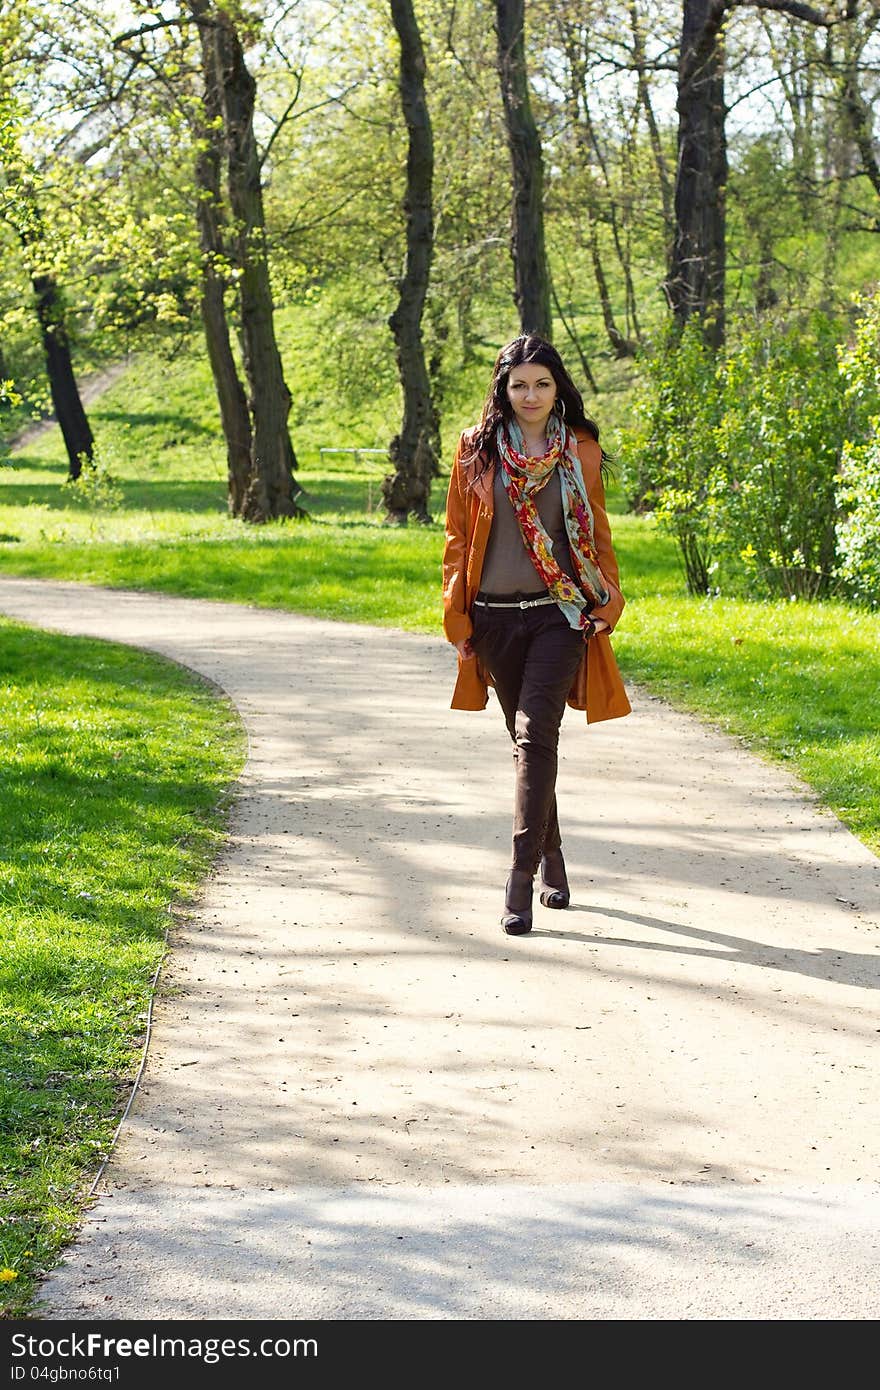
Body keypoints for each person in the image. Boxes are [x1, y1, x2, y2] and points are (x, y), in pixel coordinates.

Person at [442, 333, 631, 936]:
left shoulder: (581, 451)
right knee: (528, 744)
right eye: (519, 384)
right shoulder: (476, 450)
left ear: (558, 389)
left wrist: (610, 602)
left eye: (542, 384)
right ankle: (552, 856)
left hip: (559, 612)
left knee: (534, 732)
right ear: (503, 388)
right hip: (494, 616)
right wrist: (458, 617)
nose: (530, 395)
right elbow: (456, 541)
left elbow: (597, 536)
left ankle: (518, 877)